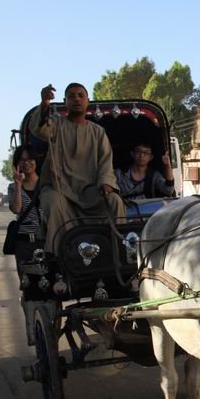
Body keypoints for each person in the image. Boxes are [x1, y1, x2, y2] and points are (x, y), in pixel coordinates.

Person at [28, 82, 125, 253]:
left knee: (114, 201)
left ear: (88, 100)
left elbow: (105, 162)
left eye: (81, 95)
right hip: (59, 189)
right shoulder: (56, 125)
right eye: (71, 96)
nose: (76, 99)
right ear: (65, 101)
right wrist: (44, 103)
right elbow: (38, 128)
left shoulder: (98, 132)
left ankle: (117, 250)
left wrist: (105, 183)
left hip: (90, 191)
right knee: (53, 203)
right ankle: (60, 255)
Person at [8, 144, 42, 274]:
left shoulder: (46, 184)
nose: (26, 163)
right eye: (22, 160)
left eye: (30, 159)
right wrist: (18, 185)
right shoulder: (13, 187)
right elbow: (16, 209)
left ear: (36, 161)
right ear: (17, 164)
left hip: (46, 241)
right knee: (28, 283)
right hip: (24, 242)